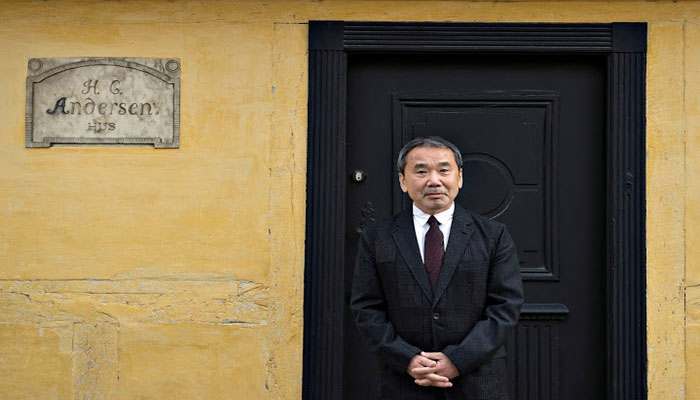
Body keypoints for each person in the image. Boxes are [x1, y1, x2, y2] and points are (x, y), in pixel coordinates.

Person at [350, 136, 524, 399]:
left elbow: (505, 306)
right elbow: (366, 307)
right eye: (421, 172)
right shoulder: (377, 238)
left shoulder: (493, 235)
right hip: (405, 382)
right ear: (403, 181)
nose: (434, 180)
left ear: (459, 178)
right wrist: (407, 358)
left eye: (444, 170)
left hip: (478, 382)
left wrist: (458, 360)